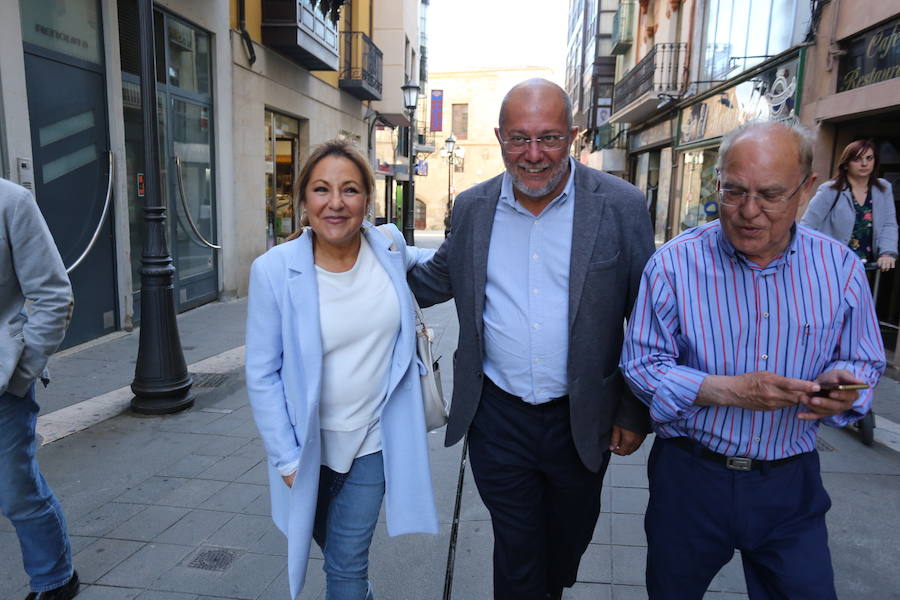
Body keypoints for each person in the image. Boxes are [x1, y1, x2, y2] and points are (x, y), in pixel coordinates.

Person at [408, 78, 655, 600]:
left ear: (574, 135)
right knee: (518, 550)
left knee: (564, 548)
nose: (535, 154)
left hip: (582, 418)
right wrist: (352, 252)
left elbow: (648, 319)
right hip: (498, 418)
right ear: (500, 137)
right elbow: (432, 281)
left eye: (550, 137)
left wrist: (633, 412)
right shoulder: (474, 208)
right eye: (519, 139)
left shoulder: (621, 206)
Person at [620, 121, 885, 599]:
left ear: (805, 190)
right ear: (717, 181)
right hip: (691, 478)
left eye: (770, 195)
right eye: (734, 191)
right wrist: (727, 389)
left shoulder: (839, 268)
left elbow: (864, 363)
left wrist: (843, 391)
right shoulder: (674, 264)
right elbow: (641, 363)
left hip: (790, 484)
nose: (748, 212)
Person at [245, 140, 439, 600]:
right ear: (304, 200)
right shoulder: (273, 271)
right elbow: (261, 372)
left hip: (373, 441)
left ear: (367, 201)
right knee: (337, 557)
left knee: (347, 565)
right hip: (307, 448)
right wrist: (287, 457)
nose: (336, 203)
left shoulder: (388, 246)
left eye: (349, 190)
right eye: (321, 189)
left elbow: (450, 268)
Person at [0, 178, 78, 600]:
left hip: (2, 389)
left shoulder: (10, 200)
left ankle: (54, 578)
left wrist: (20, 371)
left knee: (16, 493)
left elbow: (53, 295)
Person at [801, 139, 898, 271]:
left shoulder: (883, 189)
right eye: (857, 159)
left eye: (869, 158)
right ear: (846, 164)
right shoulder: (830, 190)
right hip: (830, 266)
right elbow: (807, 226)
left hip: (866, 267)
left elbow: (889, 224)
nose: (864, 164)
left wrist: (887, 253)